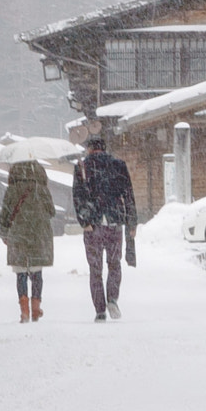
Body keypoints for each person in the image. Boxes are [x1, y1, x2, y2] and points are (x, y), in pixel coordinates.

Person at [72, 134, 135, 320]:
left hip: (93, 224)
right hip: (114, 222)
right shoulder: (119, 165)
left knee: (95, 268)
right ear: (104, 147)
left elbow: (77, 197)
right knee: (114, 264)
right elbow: (129, 195)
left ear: (90, 148)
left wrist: (84, 222)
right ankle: (112, 299)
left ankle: (100, 309)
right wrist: (132, 222)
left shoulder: (82, 167)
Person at [0, 157, 55, 322]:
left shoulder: (12, 189)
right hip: (39, 234)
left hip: (18, 234)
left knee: (21, 272)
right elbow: (51, 211)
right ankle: (36, 308)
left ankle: (24, 310)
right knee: (36, 272)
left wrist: (4, 232)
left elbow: (5, 214)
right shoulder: (42, 189)